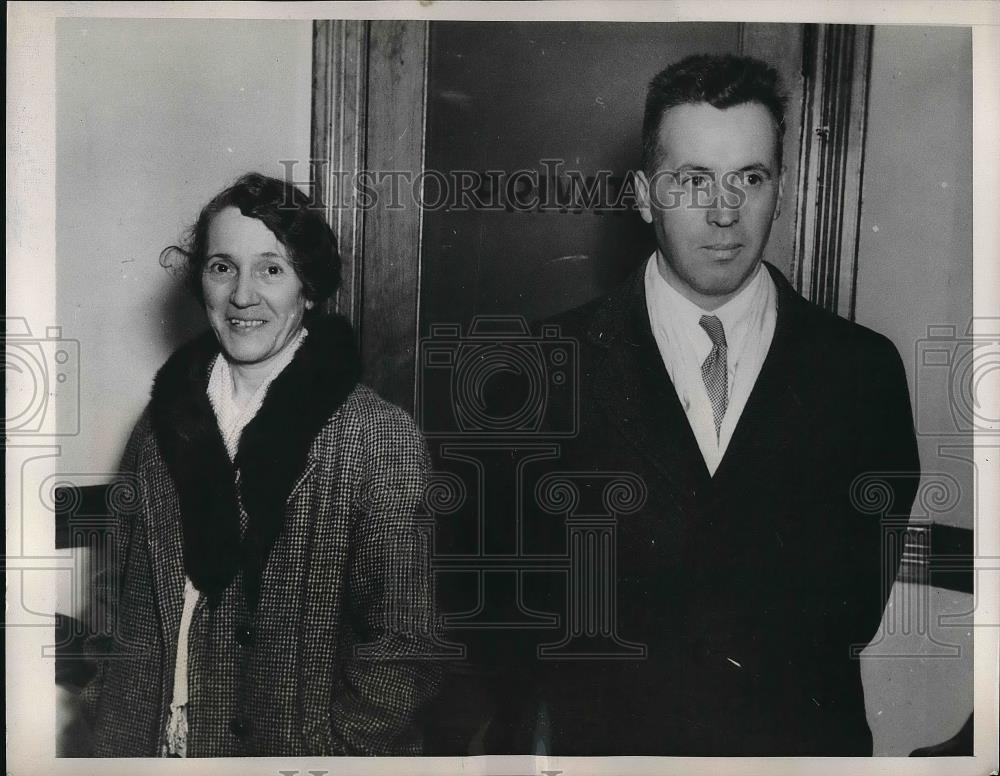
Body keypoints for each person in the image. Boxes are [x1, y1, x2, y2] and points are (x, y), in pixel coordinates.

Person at [501, 54, 921, 755]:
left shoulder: (861, 372)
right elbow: (512, 620)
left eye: (749, 179)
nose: (725, 212)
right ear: (642, 195)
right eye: (693, 179)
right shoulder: (543, 368)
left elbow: (851, 610)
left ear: (780, 191)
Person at [79, 173, 441, 756]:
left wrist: (329, 756)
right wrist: (106, 714)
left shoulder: (378, 440)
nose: (243, 295)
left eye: (271, 269)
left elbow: (406, 649)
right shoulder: (157, 430)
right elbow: (111, 596)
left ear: (310, 286)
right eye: (223, 267)